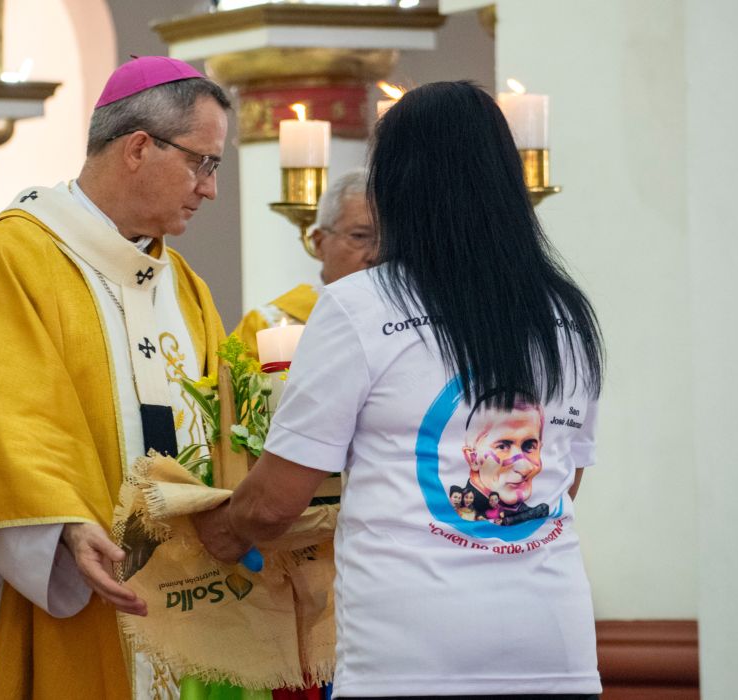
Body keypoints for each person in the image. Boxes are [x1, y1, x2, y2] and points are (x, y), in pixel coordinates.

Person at [193, 81, 604, 699]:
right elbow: (563, 480)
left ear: (395, 188)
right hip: (555, 647)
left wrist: (215, 532)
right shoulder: (567, 312)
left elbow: (275, 504)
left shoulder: (360, 305)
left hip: (413, 653)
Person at [0, 56, 230, 700]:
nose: (210, 189)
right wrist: (63, 526)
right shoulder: (15, 260)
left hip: (184, 604)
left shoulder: (185, 288)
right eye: (202, 163)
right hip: (63, 589)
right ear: (138, 148)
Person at [233, 169, 375, 358]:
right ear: (319, 243)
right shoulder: (269, 326)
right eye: (360, 236)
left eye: (391, 241)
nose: (377, 254)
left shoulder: (410, 322)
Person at [460, 396, 550, 526]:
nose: (523, 468)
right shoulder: (461, 513)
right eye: (502, 447)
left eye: (529, 446)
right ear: (473, 459)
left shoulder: (535, 513)